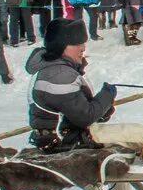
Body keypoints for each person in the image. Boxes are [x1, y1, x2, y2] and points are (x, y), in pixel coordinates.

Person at [26, 18, 118, 152]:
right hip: (62, 145)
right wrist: (107, 96)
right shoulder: (58, 75)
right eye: (77, 43)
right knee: (134, 136)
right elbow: (85, 116)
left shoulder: (59, 69)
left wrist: (101, 109)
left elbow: (74, 108)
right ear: (61, 46)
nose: (83, 48)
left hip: (70, 137)